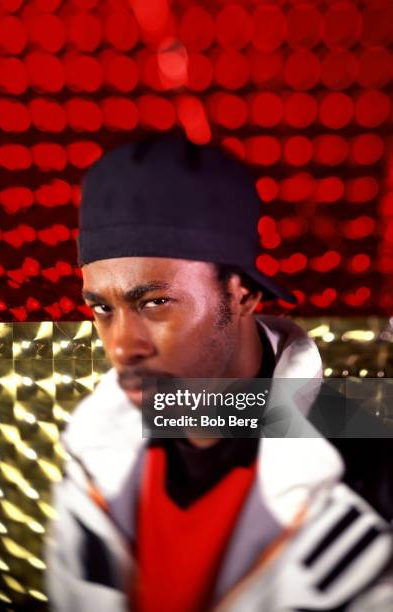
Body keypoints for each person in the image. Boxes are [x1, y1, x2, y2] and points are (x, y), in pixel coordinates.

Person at [46, 135, 393, 612]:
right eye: (102, 309)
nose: (123, 346)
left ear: (243, 294)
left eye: (155, 303)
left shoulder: (368, 473)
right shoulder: (94, 448)